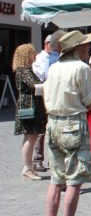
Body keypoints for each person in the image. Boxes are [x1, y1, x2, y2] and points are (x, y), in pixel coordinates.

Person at [42, 30, 91, 216]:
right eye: (85, 45)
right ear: (77, 48)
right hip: (73, 123)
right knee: (74, 180)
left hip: (53, 123)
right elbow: (90, 103)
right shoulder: (81, 68)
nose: (88, 47)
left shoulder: (54, 68)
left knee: (56, 180)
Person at [32, 29, 64, 173]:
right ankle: (38, 159)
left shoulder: (58, 57)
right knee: (41, 129)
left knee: (54, 127)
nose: (57, 47)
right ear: (47, 44)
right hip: (43, 94)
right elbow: (41, 75)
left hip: (56, 94)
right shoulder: (39, 58)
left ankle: (53, 159)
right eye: (55, 45)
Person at [13, 44, 45, 181]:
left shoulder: (27, 69)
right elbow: (34, 85)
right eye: (32, 52)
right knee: (30, 135)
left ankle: (29, 167)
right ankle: (27, 167)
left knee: (32, 135)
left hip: (32, 103)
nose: (35, 55)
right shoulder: (23, 70)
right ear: (26, 55)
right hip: (28, 105)